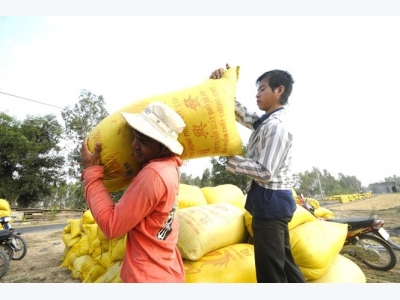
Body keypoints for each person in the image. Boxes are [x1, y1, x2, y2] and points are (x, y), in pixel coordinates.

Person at [210, 64, 305, 283]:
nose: (257, 94)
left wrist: (230, 158)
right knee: (284, 263)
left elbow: (264, 171)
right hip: (270, 201)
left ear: (279, 90)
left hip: (270, 203)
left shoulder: (276, 127)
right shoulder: (266, 122)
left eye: (262, 89)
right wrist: (220, 87)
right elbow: (243, 115)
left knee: (269, 269)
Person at [80, 101, 186, 283]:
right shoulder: (170, 168)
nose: (134, 145)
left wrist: (92, 174)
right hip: (165, 272)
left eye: (143, 142)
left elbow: (111, 226)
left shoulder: (153, 175)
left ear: (163, 146)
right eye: (135, 137)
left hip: (148, 277)